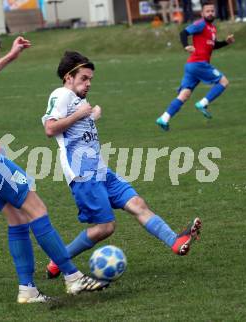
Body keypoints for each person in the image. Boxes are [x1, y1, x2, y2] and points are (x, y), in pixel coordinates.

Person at [0, 32, 109, 303]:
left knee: (16, 218)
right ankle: (73, 277)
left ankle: (27, 290)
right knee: (37, 209)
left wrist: (11, 57)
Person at [42, 51, 202, 279]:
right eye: (84, 78)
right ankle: (59, 259)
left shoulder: (78, 100)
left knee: (137, 203)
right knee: (105, 228)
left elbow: (76, 125)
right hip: (83, 175)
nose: (88, 84)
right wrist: (80, 114)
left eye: (90, 79)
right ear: (69, 77)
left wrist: (90, 116)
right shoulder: (61, 95)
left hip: (101, 170)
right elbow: (50, 129)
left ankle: (176, 242)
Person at [156, 1, 235, 131]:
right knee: (223, 82)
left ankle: (164, 118)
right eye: (207, 11)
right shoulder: (200, 24)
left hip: (192, 66)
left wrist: (226, 42)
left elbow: (213, 45)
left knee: (184, 94)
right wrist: (186, 46)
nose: (210, 13)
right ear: (202, 13)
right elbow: (183, 33)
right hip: (199, 63)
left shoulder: (212, 28)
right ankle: (202, 103)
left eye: (212, 11)